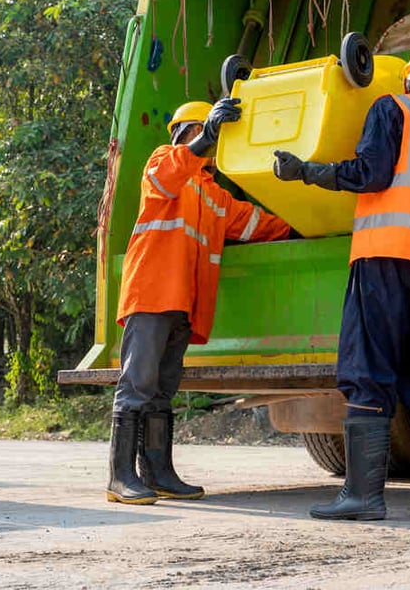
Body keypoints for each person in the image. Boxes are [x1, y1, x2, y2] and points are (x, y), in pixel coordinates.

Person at [272, 42, 410, 521]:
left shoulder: (393, 108)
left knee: (369, 368)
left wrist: (306, 171)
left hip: (385, 257)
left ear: (409, 78)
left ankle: (364, 497)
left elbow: (370, 174)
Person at [108, 97, 292, 505]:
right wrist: (204, 138)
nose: (210, 141)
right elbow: (166, 177)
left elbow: (255, 223)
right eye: (204, 132)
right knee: (136, 385)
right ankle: (120, 478)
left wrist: (304, 222)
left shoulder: (214, 195)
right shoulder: (163, 162)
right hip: (152, 294)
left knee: (161, 390)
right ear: (187, 132)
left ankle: (158, 472)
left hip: (181, 303)